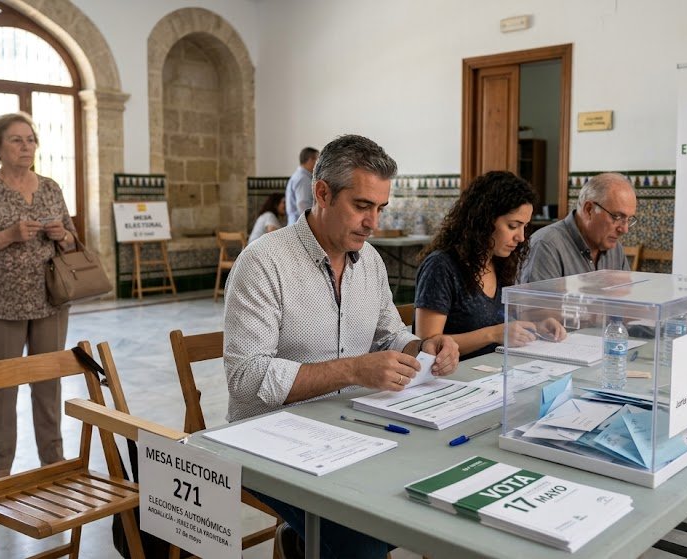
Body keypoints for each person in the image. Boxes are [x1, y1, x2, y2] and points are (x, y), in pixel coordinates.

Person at [223, 134, 460, 559]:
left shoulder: (369, 260)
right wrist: (353, 370)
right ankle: (306, 540)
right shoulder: (263, 262)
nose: (374, 223)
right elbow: (246, 378)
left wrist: (425, 346)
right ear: (322, 193)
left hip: (348, 430)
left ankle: (302, 541)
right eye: (362, 206)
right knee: (364, 541)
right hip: (269, 441)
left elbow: (389, 334)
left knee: (429, 504)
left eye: (381, 208)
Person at [0, 112, 77, 481]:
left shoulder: (52, 187)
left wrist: (61, 235)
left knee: (48, 384)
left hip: (50, 303)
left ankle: (53, 463)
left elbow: (73, 240)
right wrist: (7, 235)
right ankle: (1, 469)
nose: (27, 147)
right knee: (0, 388)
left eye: (31, 139)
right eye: (16, 140)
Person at [415, 171, 566, 359]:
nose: (520, 237)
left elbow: (504, 322)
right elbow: (426, 345)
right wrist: (494, 334)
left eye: (524, 227)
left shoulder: (501, 263)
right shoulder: (441, 266)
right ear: (484, 220)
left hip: (490, 372)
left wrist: (537, 327)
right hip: (452, 379)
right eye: (513, 226)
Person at [521, 172, 638, 283]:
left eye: (629, 219)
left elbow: (624, 300)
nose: (624, 229)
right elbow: (537, 303)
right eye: (617, 217)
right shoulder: (546, 246)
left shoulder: (615, 249)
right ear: (589, 210)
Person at [284, 146, 319, 224]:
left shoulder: (299, 176)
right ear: (310, 160)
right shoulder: (303, 179)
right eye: (318, 160)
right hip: (301, 227)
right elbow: (303, 205)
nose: (319, 164)